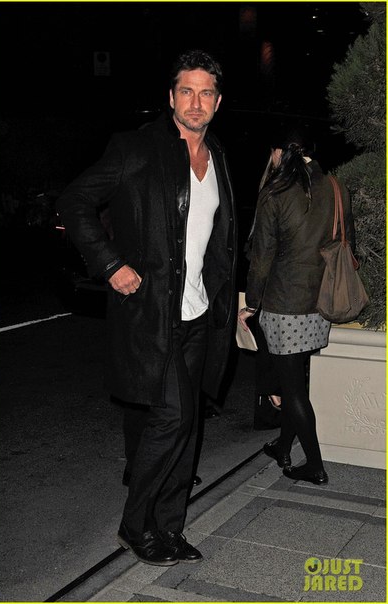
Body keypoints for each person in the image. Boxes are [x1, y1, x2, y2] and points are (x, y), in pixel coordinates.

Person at [56, 49, 236, 566]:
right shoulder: (136, 149)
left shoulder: (218, 155)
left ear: (217, 101)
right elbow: (74, 201)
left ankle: (169, 528)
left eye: (205, 93)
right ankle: (135, 526)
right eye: (186, 91)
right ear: (171, 97)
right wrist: (110, 263)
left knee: (188, 424)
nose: (196, 102)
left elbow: (218, 242)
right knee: (173, 417)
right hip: (152, 314)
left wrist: (234, 302)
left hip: (199, 313)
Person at [238, 126, 355, 485]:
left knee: (292, 391)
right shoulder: (336, 187)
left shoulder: (276, 191)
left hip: (284, 305)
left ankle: (315, 466)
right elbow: (347, 241)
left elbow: (261, 259)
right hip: (321, 302)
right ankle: (283, 447)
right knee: (295, 381)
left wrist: (251, 303)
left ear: (280, 152)